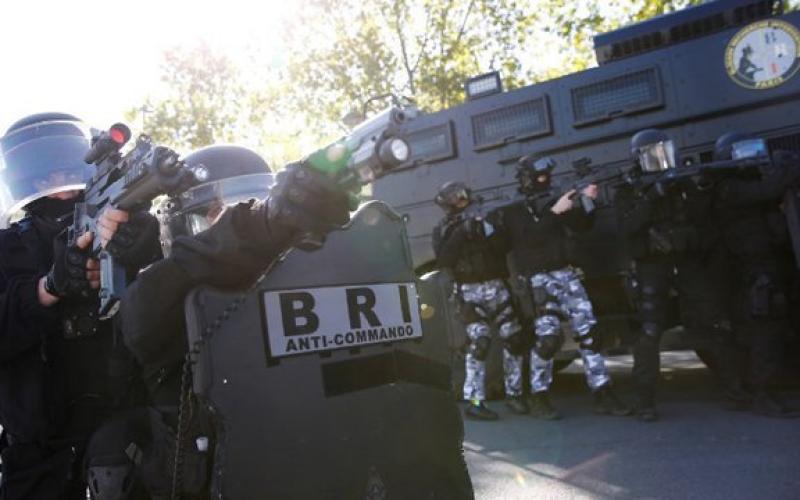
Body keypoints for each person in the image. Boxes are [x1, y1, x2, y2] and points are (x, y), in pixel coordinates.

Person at [84, 144, 280, 499]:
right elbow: (187, 268)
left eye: (248, 206)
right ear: (180, 225)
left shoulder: (295, 273)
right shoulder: (159, 293)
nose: (229, 226)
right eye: (212, 216)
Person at [0, 112, 152, 499]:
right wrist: (50, 287)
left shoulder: (119, 218)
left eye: (63, 172)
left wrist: (143, 250)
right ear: (26, 181)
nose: (61, 188)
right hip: (40, 457)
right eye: (44, 178)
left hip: (129, 434)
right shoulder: (7, 249)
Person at [616, 129, 741, 422]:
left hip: (687, 263)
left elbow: (703, 220)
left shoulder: (681, 181)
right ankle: (644, 401)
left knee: (716, 324)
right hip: (652, 267)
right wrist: (652, 196)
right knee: (648, 335)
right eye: (653, 153)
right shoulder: (629, 189)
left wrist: (699, 188)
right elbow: (626, 229)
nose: (661, 158)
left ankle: (737, 390)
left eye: (665, 151)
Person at [502, 155, 630, 419]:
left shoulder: (554, 200)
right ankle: (539, 395)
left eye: (547, 176)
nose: (544, 181)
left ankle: (602, 392)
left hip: (567, 276)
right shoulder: (513, 210)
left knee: (590, 334)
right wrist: (553, 212)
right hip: (538, 280)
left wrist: (586, 201)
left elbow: (582, 226)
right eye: (539, 177)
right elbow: (529, 239)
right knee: (548, 340)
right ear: (525, 178)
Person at [710, 132, 800, 417]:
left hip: (770, 267)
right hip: (754, 275)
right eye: (746, 153)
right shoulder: (728, 189)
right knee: (765, 336)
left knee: (777, 332)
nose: (752, 158)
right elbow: (770, 189)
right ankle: (762, 394)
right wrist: (787, 167)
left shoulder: (747, 183)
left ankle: (773, 390)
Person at [432, 181, 526, 421]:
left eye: (464, 197)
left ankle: (515, 394)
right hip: (469, 293)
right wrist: (461, 232)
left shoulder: (486, 221)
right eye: (457, 199)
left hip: (497, 287)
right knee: (480, 342)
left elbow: (503, 248)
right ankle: (475, 401)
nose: (463, 202)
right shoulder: (443, 230)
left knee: (514, 339)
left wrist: (487, 228)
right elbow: (444, 259)